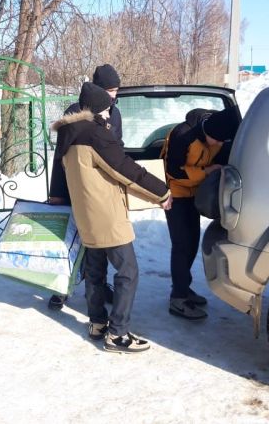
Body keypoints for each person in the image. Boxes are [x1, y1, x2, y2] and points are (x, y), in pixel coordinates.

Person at [52, 82, 173, 353]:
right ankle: (118, 334)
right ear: (96, 110)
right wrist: (162, 193)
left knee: (95, 271)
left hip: (85, 214)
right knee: (128, 271)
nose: (109, 116)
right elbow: (125, 169)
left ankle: (97, 323)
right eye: (107, 110)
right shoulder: (96, 135)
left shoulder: (68, 134)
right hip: (106, 215)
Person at [47, 63, 122, 310]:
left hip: (99, 191)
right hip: (72, 188)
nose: (114, 94)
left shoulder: (115, 113)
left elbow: (116, 151)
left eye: (116, 89)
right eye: (110, 89)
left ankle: (97, 286)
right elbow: (60, 156)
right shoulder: (73, 112)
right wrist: (57, 193)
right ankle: (61, 287)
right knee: (70, 240)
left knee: (98, 242)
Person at [161, 106, 239, 319]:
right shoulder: (182, 135)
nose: (220, 145)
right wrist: (206, 172)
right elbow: (172, 171)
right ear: (209, 132)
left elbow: (222, 156)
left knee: (192, 242)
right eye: (218, 140)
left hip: (194, 194)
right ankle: (178, 298)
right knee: (181, 244)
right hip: (175, 195)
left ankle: (184, 288)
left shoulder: (218, 134)